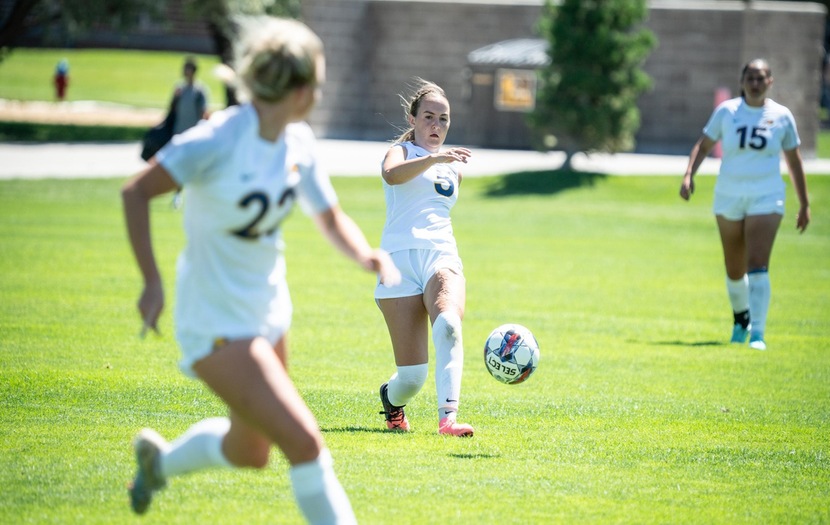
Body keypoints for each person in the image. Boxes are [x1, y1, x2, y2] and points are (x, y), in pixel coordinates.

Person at [121, 17, 400, 524]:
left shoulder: (298, 142)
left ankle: (159, 463)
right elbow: (136, 191)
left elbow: (330, 216)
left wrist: (366, 255)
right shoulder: (217, 139)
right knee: (306, 443)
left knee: (250, 450)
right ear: (295, 90)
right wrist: (152, 281)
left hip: (267, 309)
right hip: (214, 320)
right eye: (315, 81)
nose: (320, 90)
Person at [680, 58, 810, 351]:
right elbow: (704, 145)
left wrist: (804, 203)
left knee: (758, 264)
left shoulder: (781, 116)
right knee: (734, 268)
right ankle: (741, 321)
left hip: (767, 195)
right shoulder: (727, 112)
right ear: (742, 82)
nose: (755, 83)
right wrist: (689, 175)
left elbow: (794, 160)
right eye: (750, 78)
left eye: (761, 78)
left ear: (770, 82)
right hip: (729, 194)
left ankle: (759, 334)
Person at [374, 79, 475, 437]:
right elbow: (392, 175)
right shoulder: (400, 153)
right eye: (429, 117)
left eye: (443, 119)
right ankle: (391, 400)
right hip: (398, 264)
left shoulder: (454, 168)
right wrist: (432, 158)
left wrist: (440, 160)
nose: (436, 126)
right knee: (412, 377)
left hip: (441, 254)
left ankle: (448, 419)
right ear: (413, 118)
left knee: (448, 324)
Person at [171, 56, 209, 135]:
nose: (184, 71)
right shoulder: (179, 88)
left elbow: (204, 112)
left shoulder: (199, 90)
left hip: (193, 132)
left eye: (187, 68)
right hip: (178, 131)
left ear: (193, 71)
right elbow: (172, 109)